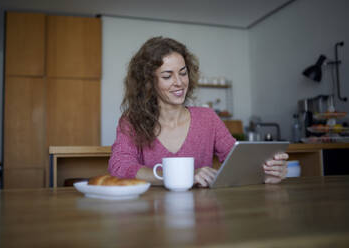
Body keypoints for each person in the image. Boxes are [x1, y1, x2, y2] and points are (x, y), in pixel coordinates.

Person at [108, 36, 288, 187]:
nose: (179, 82)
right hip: (152, 219)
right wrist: (179, 177)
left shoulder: (207, 118)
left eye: (183, 72)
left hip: (203, 219)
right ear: (148, 82)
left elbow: (237, 163)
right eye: (167, 76)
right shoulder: (131, 120)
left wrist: (265, 174)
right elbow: (120, 167)